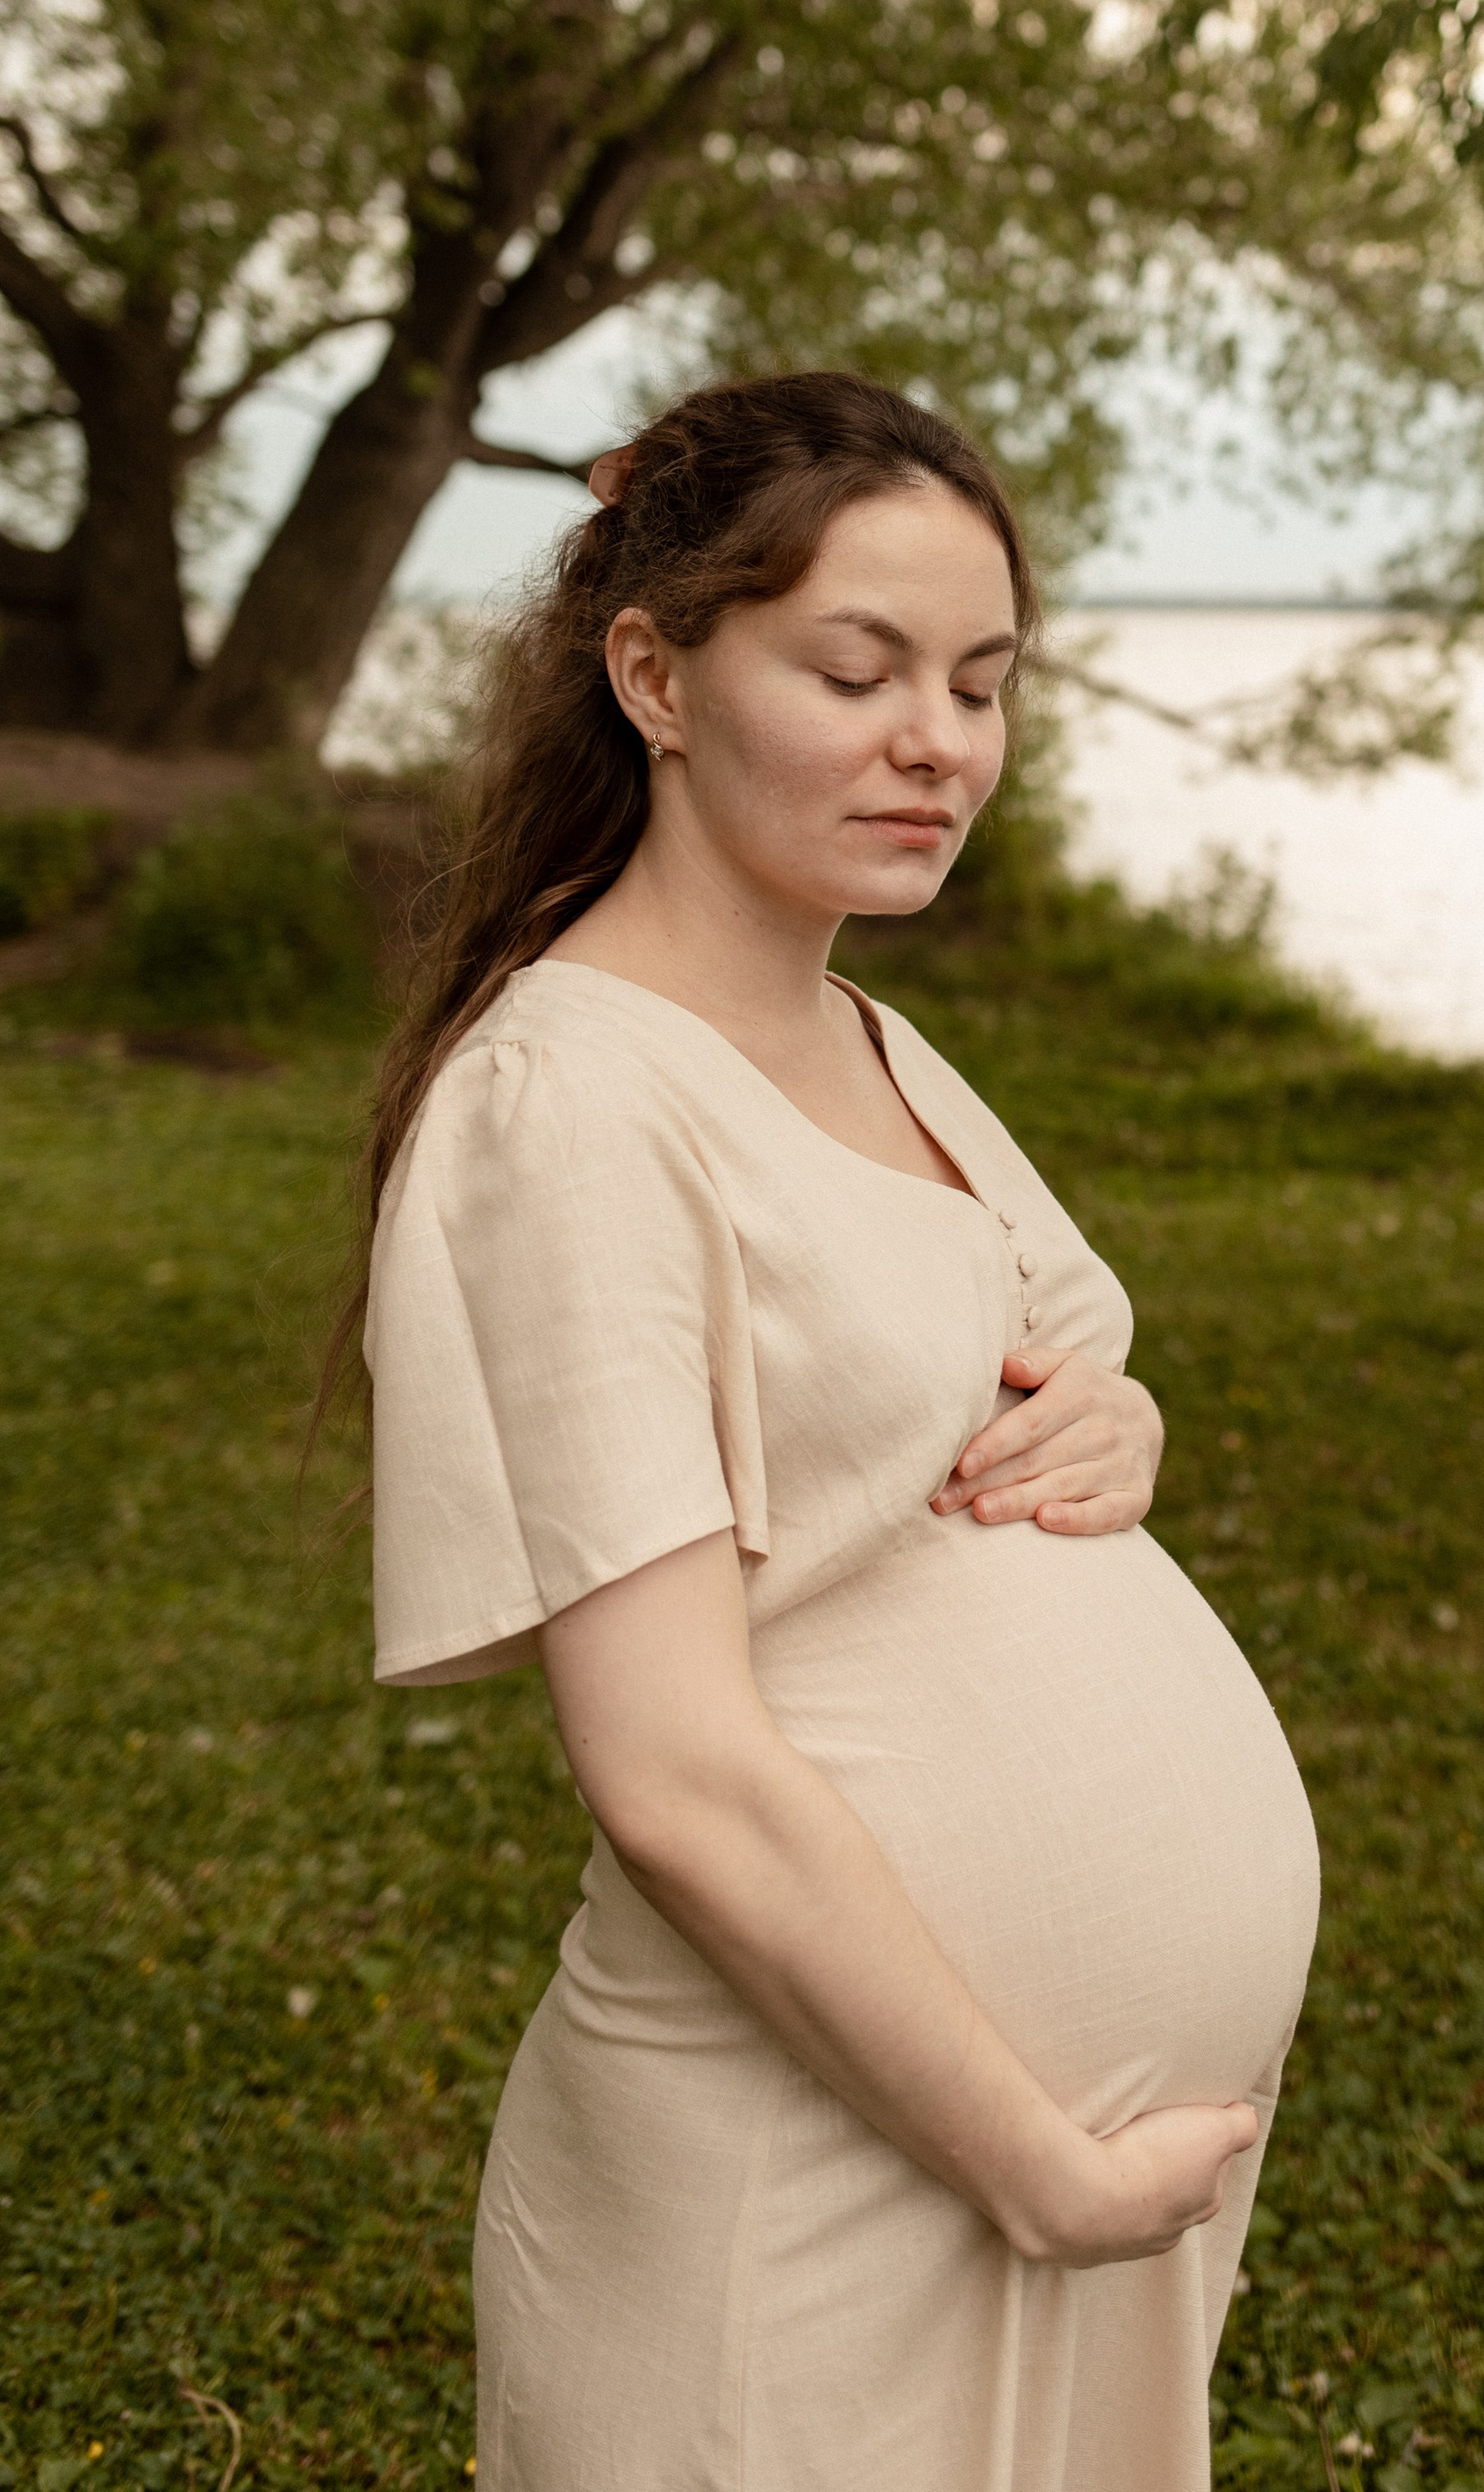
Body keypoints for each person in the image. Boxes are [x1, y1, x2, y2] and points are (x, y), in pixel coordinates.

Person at [327, 371, 1320, 2492]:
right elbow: (674, 1769)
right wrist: (1035, 2167)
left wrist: (1114, 1426)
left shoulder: (871, 1031)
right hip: (815, 2192)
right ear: (654, 673)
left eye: (979, 681)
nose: (935, 741)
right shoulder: (576, 1099)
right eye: (852, 669)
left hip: (1039, 2185)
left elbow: (1005, 1367)